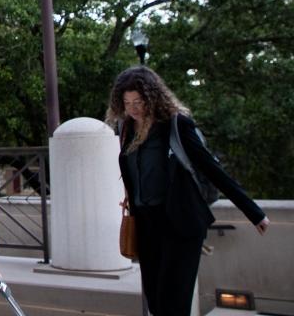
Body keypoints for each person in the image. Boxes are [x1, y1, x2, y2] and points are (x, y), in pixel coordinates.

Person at [106, 66, 269, 316]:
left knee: (173, 305)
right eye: (127, 103)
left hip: (181, 223)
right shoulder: (127, 130)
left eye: (138, 101)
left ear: (152, 98)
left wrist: (253, 212)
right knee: (157, 303)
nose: (133, 108)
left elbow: (212, 169)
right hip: (148, 227)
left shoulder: (176, 125)